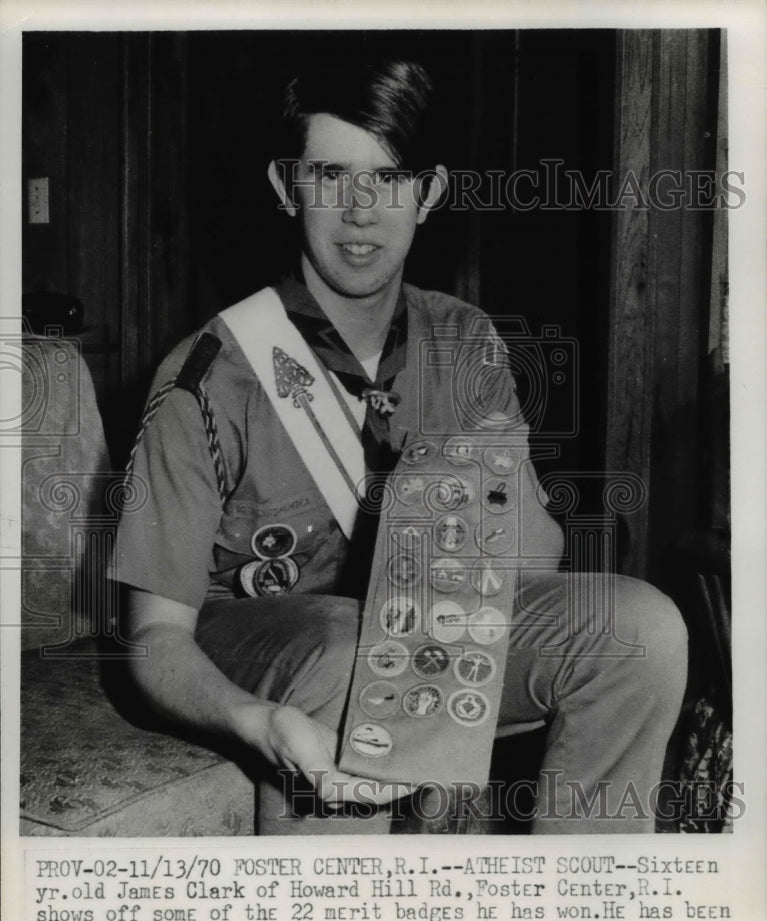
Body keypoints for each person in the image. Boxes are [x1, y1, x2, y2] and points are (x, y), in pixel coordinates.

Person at [111, 56, 688, 835]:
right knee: (346, 643)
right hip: (266, 643)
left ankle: (579, 913)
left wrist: (486, 481)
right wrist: (257, 723)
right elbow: (152, 640)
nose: (360, 211)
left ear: (430, 194)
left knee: (637, 628)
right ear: (286, 189)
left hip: (422, 625)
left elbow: (523, 570)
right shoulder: (210, 376)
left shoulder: (465, 339)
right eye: (330, 176)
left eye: (388, 179)